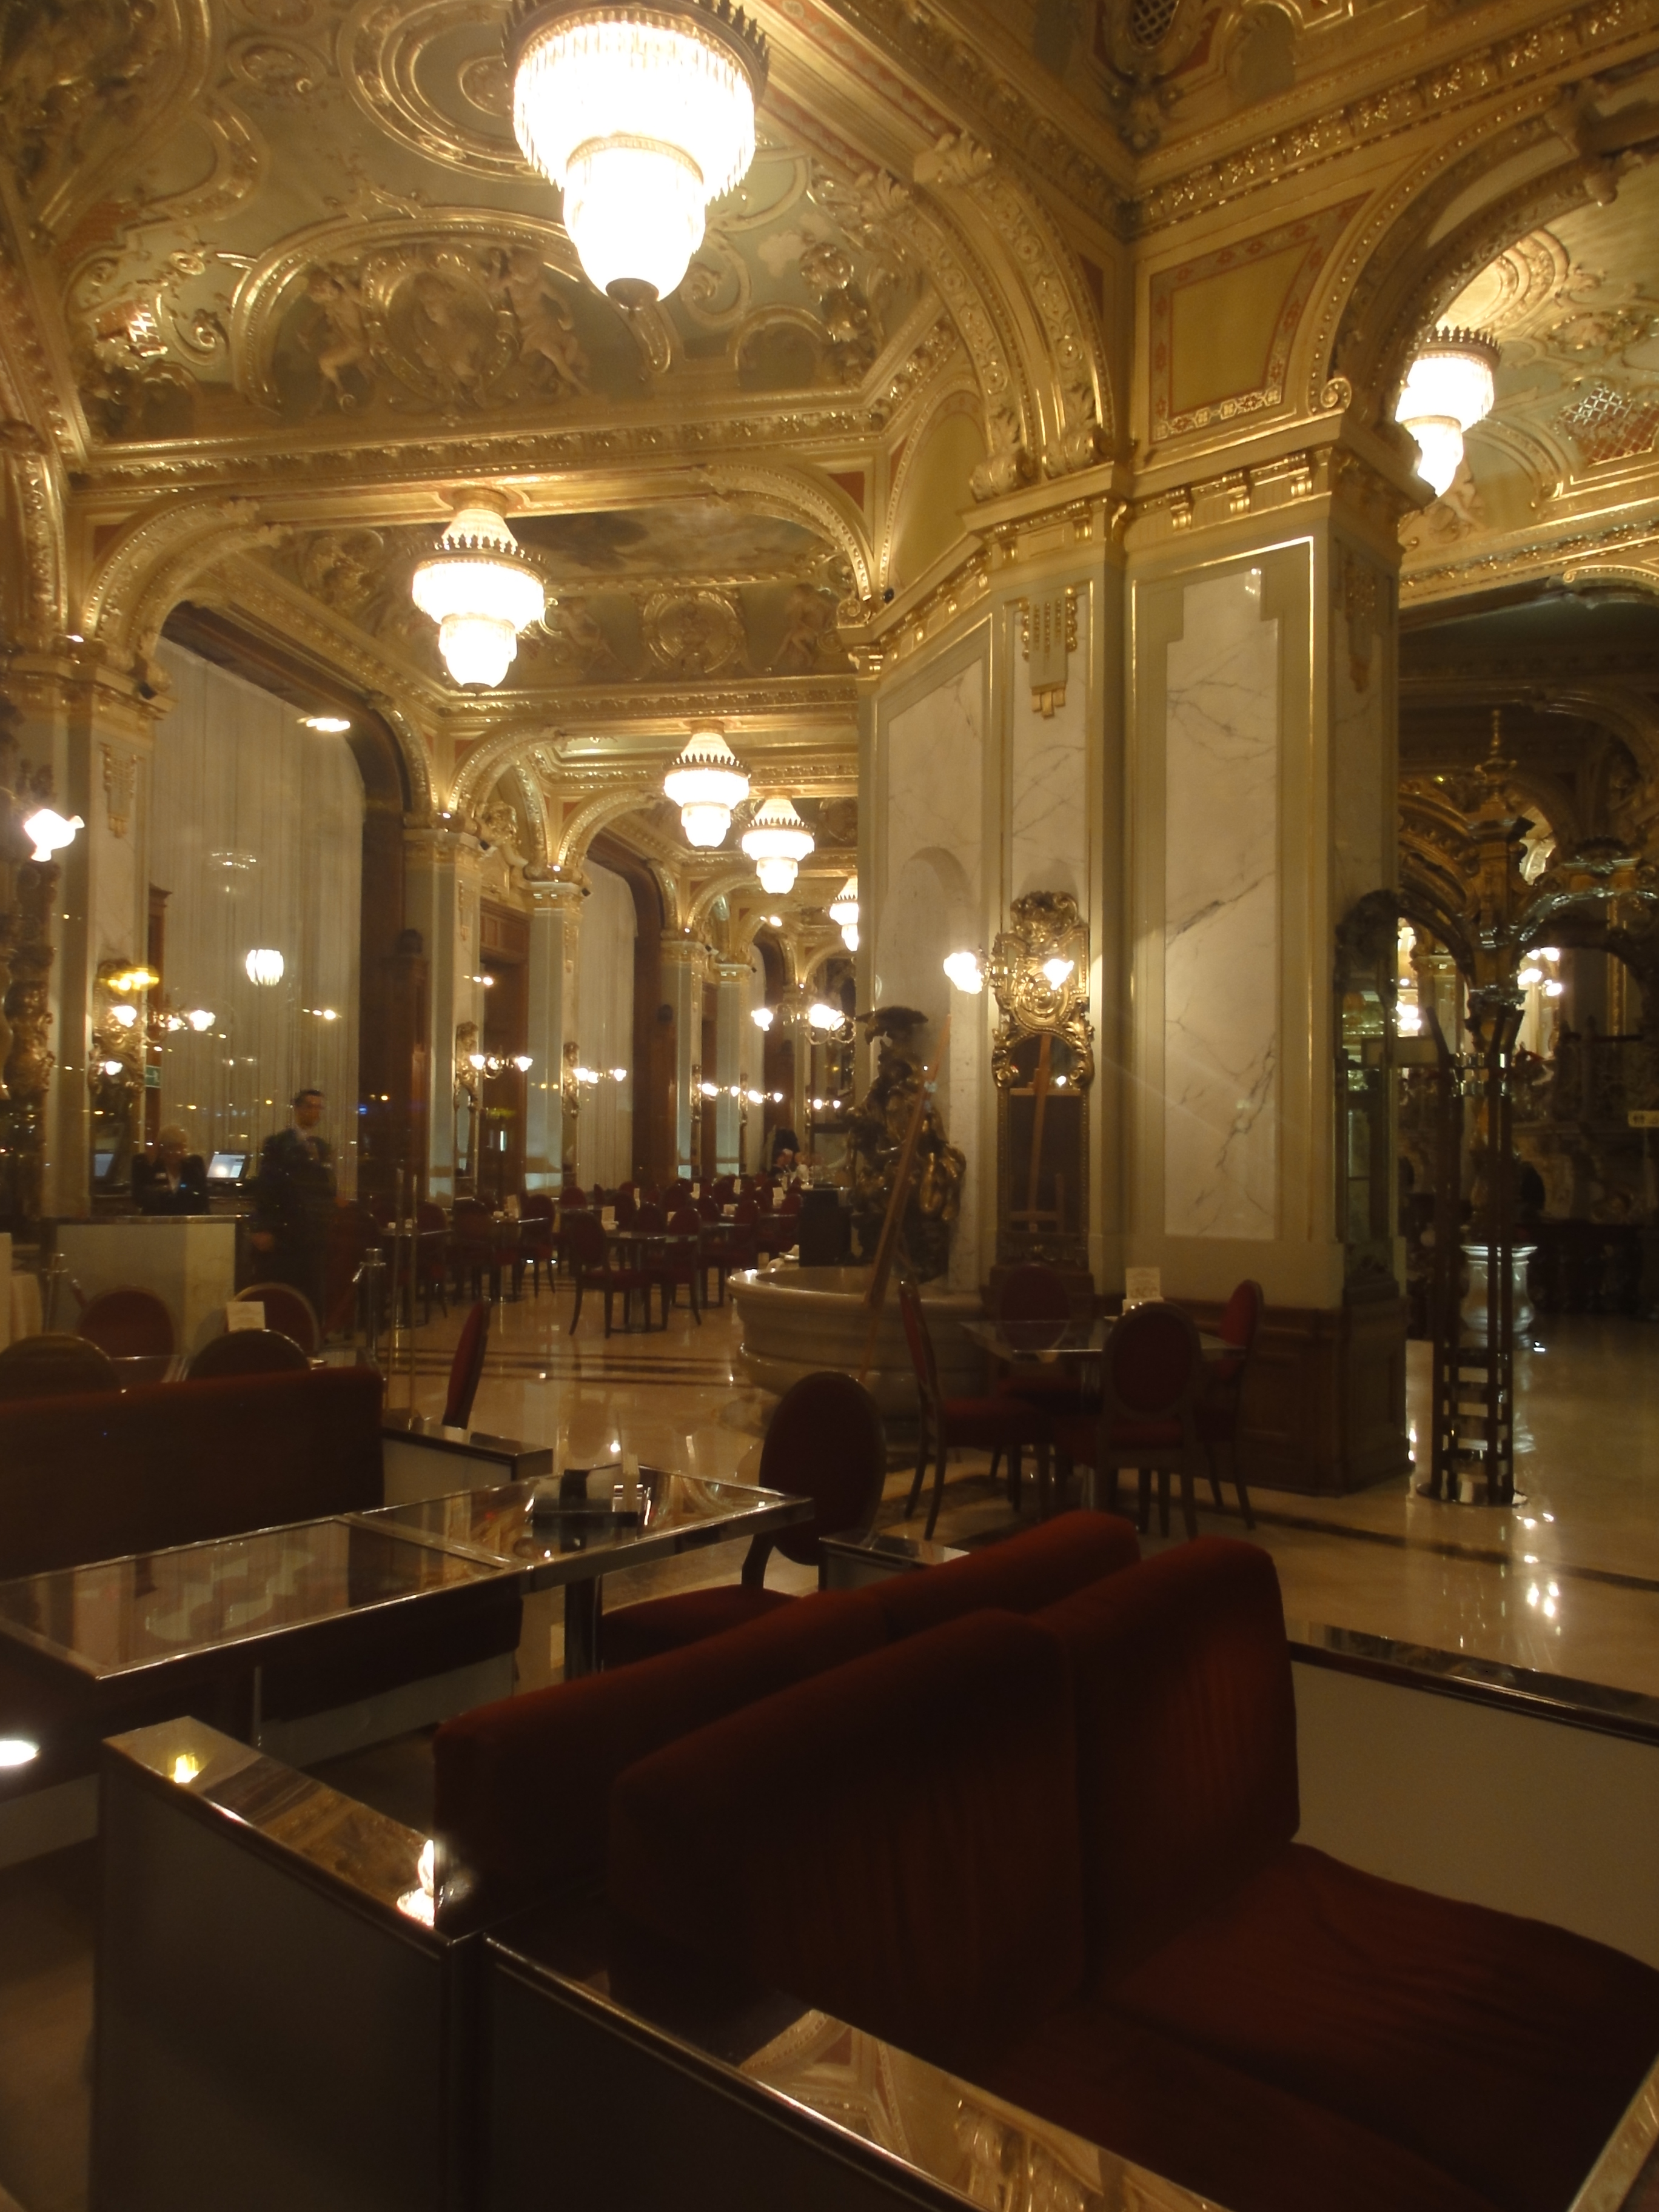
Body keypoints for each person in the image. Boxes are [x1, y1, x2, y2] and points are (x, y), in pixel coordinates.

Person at [251, 1088, 337, 1315]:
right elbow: (267, 1186)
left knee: (314, 1290)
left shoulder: (322, 1147)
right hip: (287, 1229)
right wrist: (263, 1227)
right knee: (286, 1289)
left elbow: (327, 1188)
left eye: (318, 1107)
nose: (314, 1112)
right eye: (310, 1106)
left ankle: (312, 1332)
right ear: (298, 1109)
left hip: (314, 1231)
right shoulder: (278, 1143)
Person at [131, 1124, 207, 1215]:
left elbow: (202, 1200)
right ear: (160, 1148)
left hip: (187, 1220)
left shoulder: (193, 1167)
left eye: (179, 1147)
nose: (174, 1152)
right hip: (157, 1220)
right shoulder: (150, 1167)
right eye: (169, 1147)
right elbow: (140, 1200)